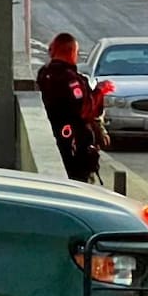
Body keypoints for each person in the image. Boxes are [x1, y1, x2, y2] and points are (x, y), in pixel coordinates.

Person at [37, 33, 113, 183]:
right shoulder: (72, 80)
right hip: (74, 147)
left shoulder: (44, 74)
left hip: (51, 137)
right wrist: (100, 92)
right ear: (71, 52)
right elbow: (83, 110)